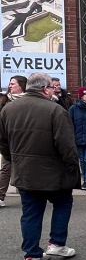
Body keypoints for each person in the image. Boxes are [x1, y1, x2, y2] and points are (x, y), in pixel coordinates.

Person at [0, 72, 79, 260]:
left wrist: (14, 160)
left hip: (24, 172)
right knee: (62, 203)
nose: (53, 90)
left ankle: (32, 255)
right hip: (54, 173)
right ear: (45, 89)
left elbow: (3, 143)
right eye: (52, 87)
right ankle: (57, 243)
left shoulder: (8, 109)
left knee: (31, 213)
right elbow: (66, 145)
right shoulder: (56, 110)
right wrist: (72, 167)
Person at [0, 75, 27, 208]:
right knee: (5, 168)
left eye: (13, 84)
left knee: (24, 168)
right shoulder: (4, 100)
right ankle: (0, 196)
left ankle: (26, 195)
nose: (10, 86)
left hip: (24, 140)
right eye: (10, 84)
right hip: (8, 140)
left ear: (22, 85)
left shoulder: (29, 101)